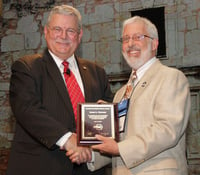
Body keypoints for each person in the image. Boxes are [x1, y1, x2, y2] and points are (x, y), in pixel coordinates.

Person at [7, 5, 113, 175]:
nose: (63, 36)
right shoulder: (26, 67)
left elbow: (107, 117)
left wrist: (92, 152)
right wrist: (68, 139)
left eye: (70, 30)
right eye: (57, 29)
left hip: (88, 167)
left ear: (79, 36)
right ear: (46, 32)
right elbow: (28, 110)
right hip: (41, 167)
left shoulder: (97, 72)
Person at [84, 16, 191, 175]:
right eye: (126, 38)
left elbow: (167, 129)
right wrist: (90, 155)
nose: (130, 43)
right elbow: (119, 142)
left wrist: (119, 148)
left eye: (138, 37)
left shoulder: (171, 77)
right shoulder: (120, 94)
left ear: (154, 44)